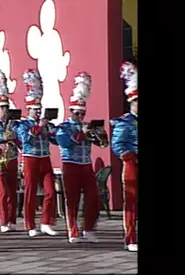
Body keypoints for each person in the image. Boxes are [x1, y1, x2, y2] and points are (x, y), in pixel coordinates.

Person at [56, 72, 109, 244]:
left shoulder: (88, 127)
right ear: (70, 112)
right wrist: (81, 133)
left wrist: (101, 134)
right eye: (77, 113)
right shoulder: (64, 127)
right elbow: (64, 143)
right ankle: (73, 231)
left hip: (86, 166)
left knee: (93, 197)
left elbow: (103, 145)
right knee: (72, 199)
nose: (80, 117)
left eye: (82, 113)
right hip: (71, 165)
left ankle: (89, 228)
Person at [17, 69, 59, 237]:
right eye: (35, 109)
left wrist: (51, 130)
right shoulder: (23, 124)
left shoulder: (44, 123)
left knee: (50, 191)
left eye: (39, 109)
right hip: (31, 159)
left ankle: (47, 222)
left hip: (45, 159)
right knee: (30, 191)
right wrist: (38, 128)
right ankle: (30, 225)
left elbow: (55, 140)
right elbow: (24, 139)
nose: (37, 112)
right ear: (29, 109)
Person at [0, 70, 21, 233]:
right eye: (1, 108)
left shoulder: (15, 124)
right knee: (2, 190)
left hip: (12, 158)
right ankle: (3, 220)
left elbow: (21, 142)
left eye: (6, 107)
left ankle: (12, 220)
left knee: (12, 189)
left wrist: (13, 138)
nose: (4, 111)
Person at [110, 62, 138, 252]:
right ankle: (130, 238)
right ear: (132, 102)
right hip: (132, 164)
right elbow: (117, 144)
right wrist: (128, 156)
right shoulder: (124, 122)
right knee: (132, 202)